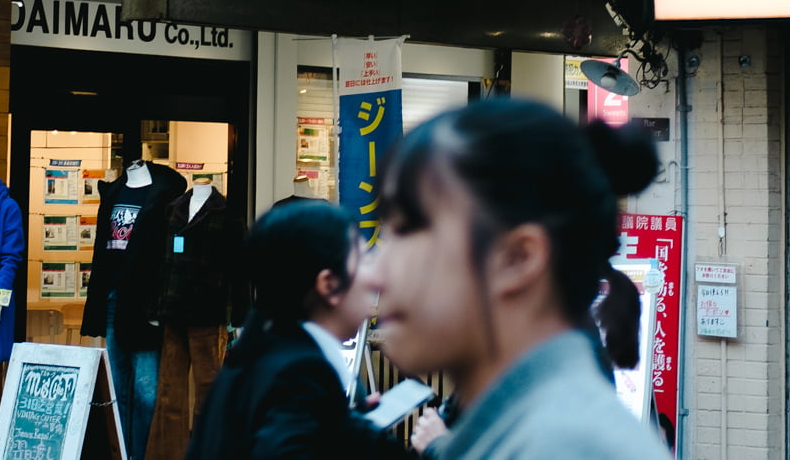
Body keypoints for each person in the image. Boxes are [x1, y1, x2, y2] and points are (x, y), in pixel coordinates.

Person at [361, 98, 668, 459]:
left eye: (407, 229)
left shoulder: (564, 445)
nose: (372, 273)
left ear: (519, 258)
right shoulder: (529, 430)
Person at [182, 198, 411, 460]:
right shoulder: (298, 374)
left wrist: (349, 427)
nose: (375, 278)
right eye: (362, 262)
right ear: (329, 284)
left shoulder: (259, 355)